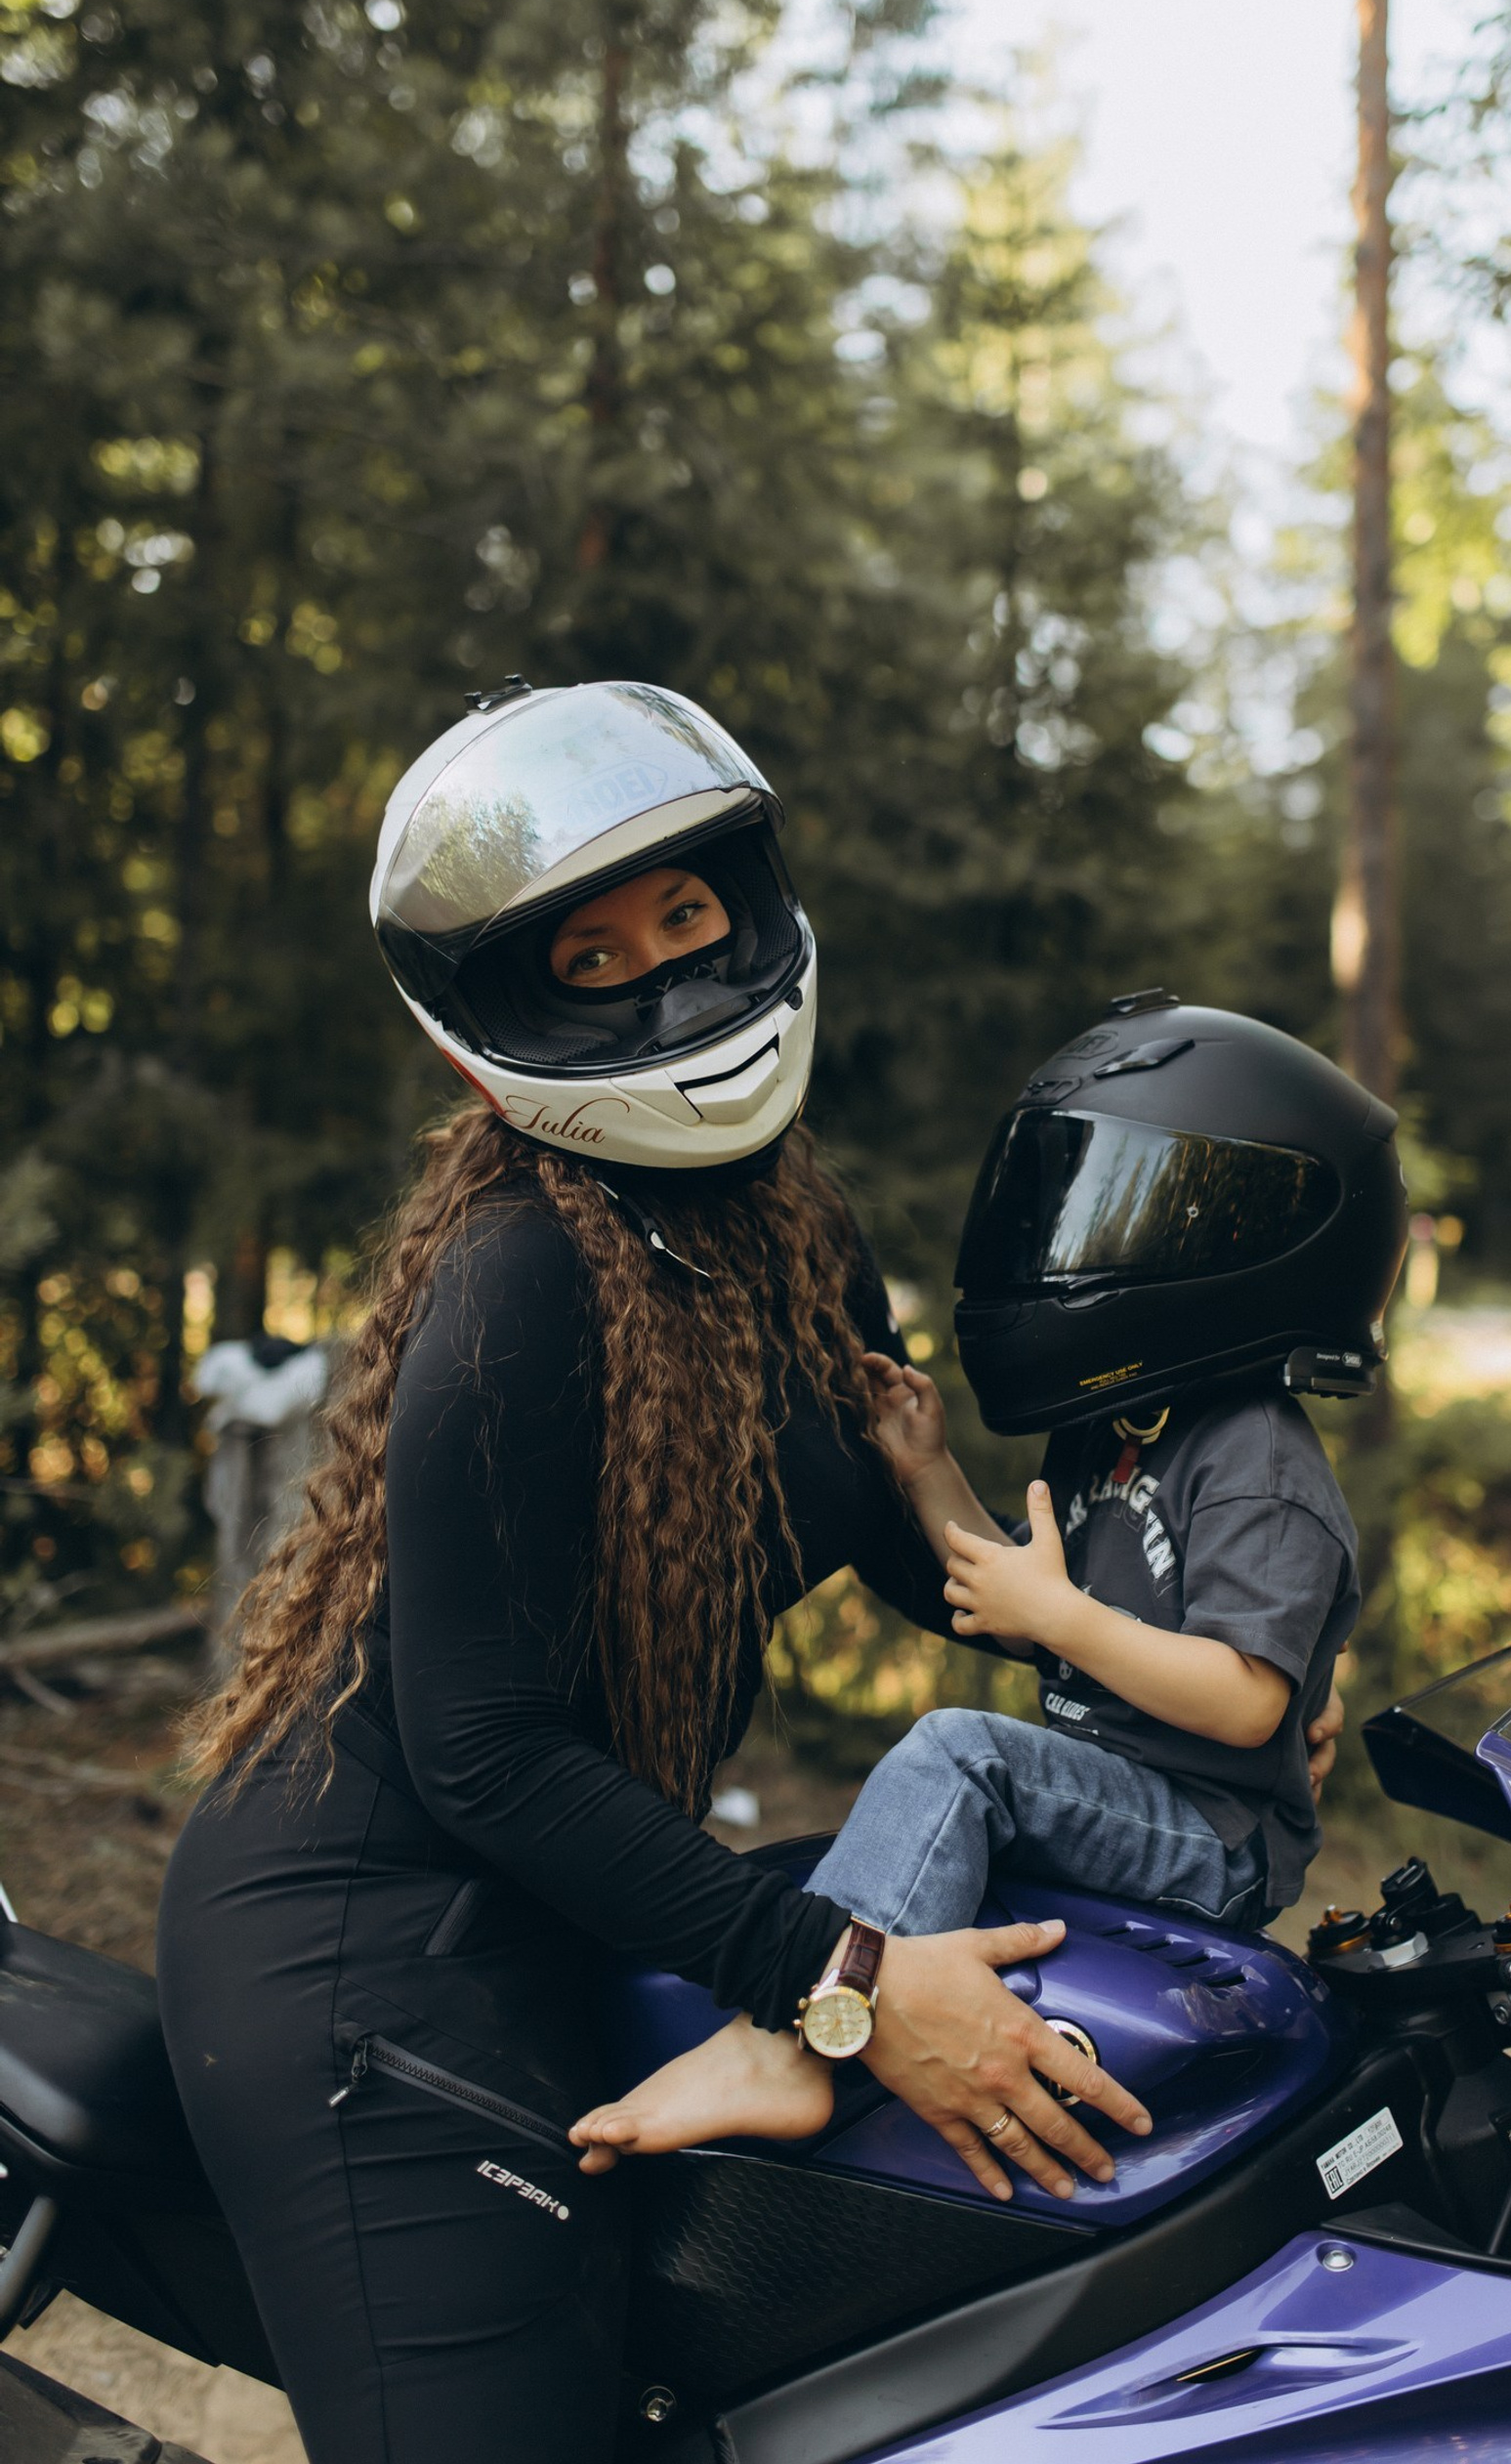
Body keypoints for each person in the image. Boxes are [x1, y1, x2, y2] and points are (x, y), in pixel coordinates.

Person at [156, 680, 1176, 2464]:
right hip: (364, 1967)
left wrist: (1174, 1681)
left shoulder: (790, 1222)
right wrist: (846, 1982)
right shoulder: (516, 1283)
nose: (661, 979)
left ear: (747, 902)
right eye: (590, 959)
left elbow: (919, 1555)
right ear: (500, 1018)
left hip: (567, 1914)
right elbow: (480, 1750)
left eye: (684, 917)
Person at [571, 1000, 1405, 2165]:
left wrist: (1057, 1615)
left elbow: (1248, 1701)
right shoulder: (1122, 1428)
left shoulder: (1256, 1460)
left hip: (1210, 1831)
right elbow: (1018, 1594)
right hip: (1126, 1785)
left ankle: (795, 2049)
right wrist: (926, 1470)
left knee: (956, 1754)